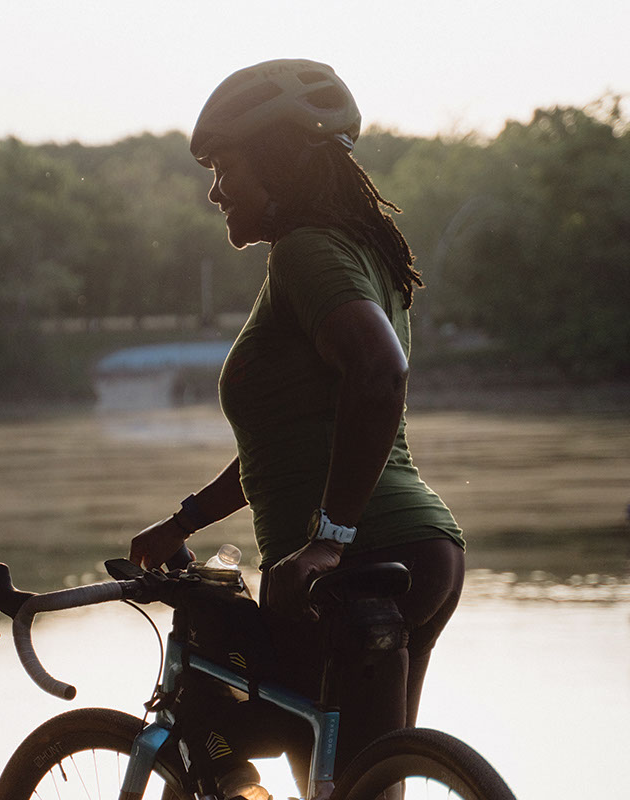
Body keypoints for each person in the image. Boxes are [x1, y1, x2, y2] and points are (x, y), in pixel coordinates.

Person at [128, 59, 466, 793]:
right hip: (415, 552)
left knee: (229, 712)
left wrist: (329, 542)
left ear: (276, 162)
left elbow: (381, 375)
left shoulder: (307, 250)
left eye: (225, 167)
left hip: (363, 559)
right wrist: (184, 521)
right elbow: (281, 448)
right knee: (356, 784)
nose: (215, 190)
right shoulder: (347, 252)